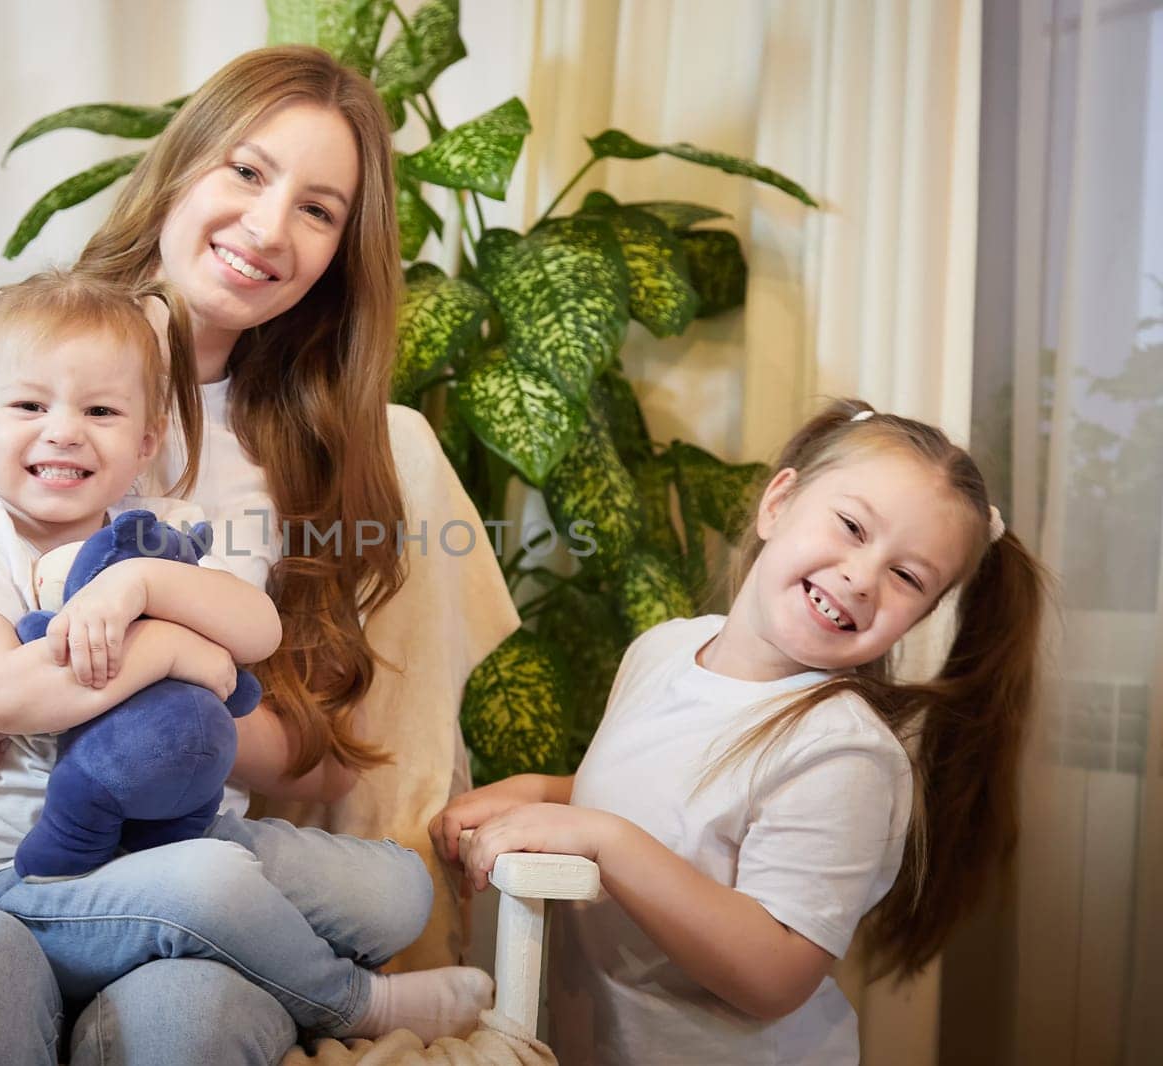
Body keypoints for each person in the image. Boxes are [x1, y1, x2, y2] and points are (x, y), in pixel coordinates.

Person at [0, 45, 485, 1066]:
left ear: (340, 251)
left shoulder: (309, 443)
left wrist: (157, 695)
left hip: (181, 849)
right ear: (181, 163)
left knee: (193, 1016)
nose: (269, 227)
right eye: (245, 170)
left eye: (319, 210)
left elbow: (310, 747)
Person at [0, 265, 490, 1040]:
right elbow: (4, 698)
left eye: (100, 410)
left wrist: (139, 584)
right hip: (20, 875)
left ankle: (209, 930)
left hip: (172, 832)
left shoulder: (156, 528)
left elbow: (256, 632)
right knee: (212, 885)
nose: (64, 430)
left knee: (395, 891)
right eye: (30, 406)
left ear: (145, 442)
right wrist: (170, 650)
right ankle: (353, 1002)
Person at [432, 400, 1048, 1065]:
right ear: (779, 503)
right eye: (850, 526)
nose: (861, 577)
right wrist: (547, 795)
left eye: (906, 577)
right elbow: (665, 802)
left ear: (921, 615)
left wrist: (600, 838)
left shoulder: (843, 753)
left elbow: (774, 974)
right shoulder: (663, 650)